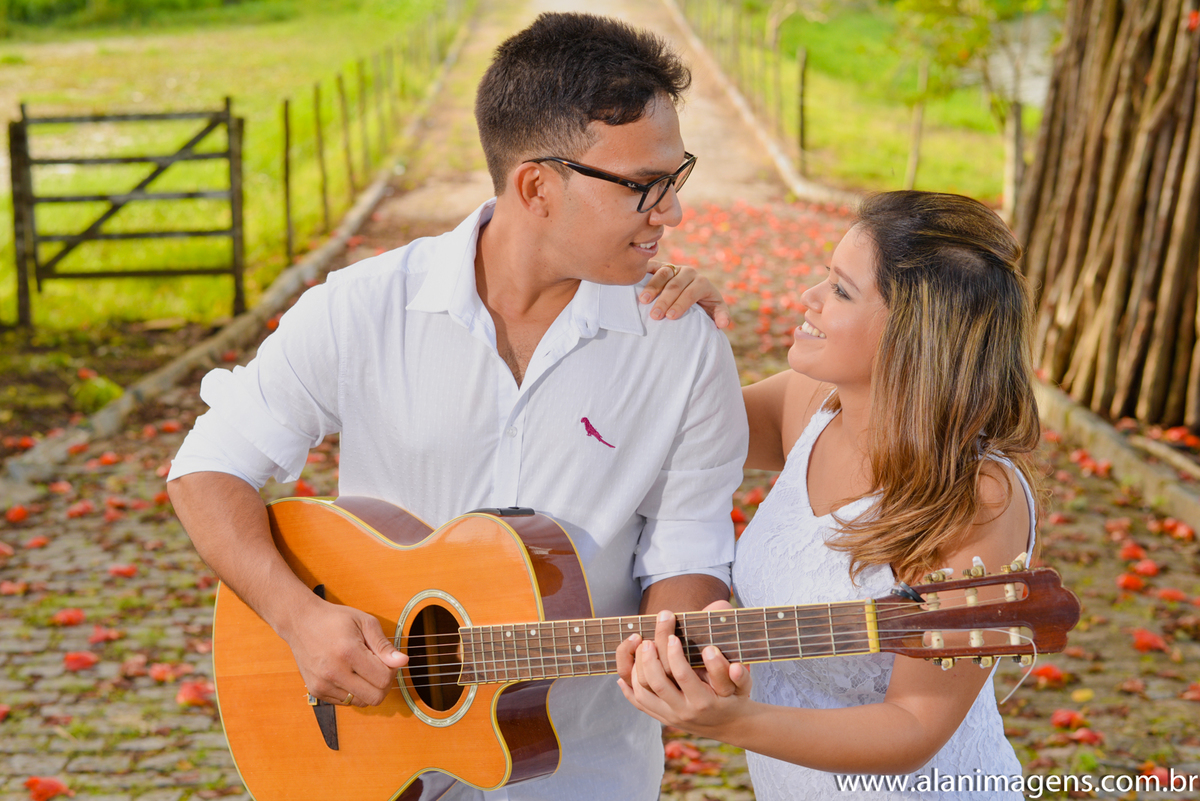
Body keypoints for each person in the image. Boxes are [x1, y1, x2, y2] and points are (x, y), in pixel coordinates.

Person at [166, 12, 747, 801]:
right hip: (373, 754)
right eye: (644, 187)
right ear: (537, 186)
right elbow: (207, 468)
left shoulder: (684, 350)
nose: (671, 212)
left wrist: (688, 659)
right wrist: (298, 616)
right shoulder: (364, 308)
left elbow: (688, 555)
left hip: (584, 774)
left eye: (676, 179)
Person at [619, 190, 1041, 800]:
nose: (807, 299)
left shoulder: (977, 496)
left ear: (915, 332)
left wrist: (734, 722)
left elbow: (914, 725)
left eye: (841, 290)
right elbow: (658, 445)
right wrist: (672, 329)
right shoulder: (812, 404)